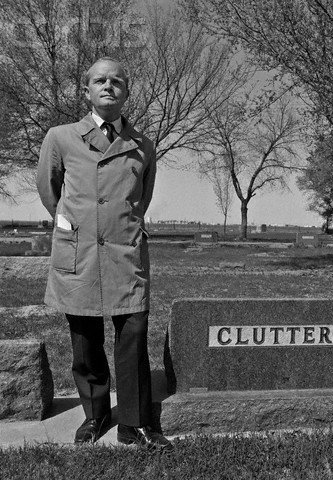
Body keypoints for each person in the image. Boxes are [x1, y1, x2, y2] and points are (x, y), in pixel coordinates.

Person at [36, 57, 173, 451]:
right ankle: (95, 414)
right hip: (79, 253)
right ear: (87, 91)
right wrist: (77, 226)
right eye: (100, 80)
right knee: (85, 341)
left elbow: (139, 200)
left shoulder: (143, 145)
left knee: (133, 337)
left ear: (126, 91)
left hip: (125, 253)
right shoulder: (60, 137)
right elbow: (51, 192)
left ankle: (135, 423)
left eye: (116, 81)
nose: (108, 86)